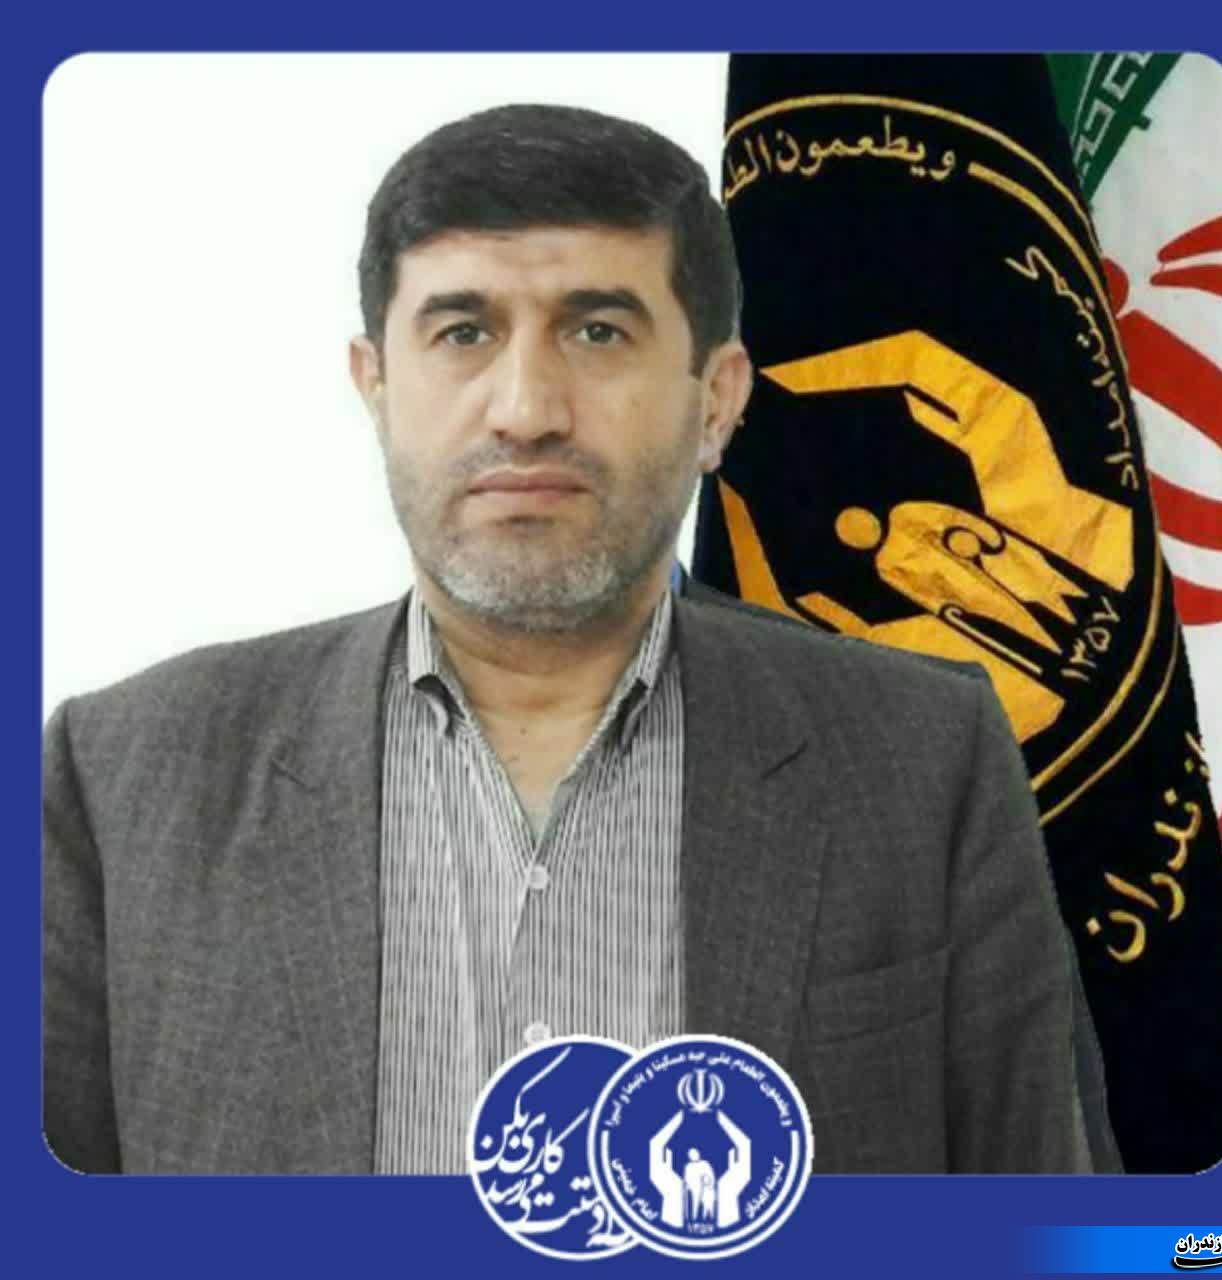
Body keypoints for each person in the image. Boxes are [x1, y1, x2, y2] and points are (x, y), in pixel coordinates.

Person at [42, 103, 1120, 1176]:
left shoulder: (920, 758)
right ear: (376, 388)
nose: (525, 409)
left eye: (597, 331)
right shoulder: (122, 777)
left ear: (715, 402)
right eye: (463, 332)